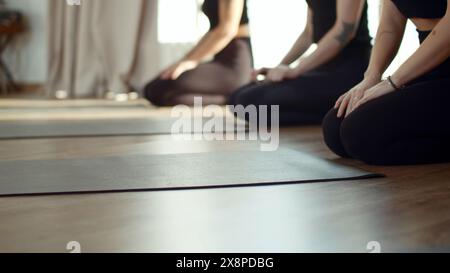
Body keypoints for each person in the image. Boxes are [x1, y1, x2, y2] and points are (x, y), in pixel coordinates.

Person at [322, 0, 450, 165]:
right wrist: (371, 77)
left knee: (358, 133)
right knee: (335, 128)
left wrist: (393, 82)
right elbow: (390, 26)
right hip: (431, 69)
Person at [229, 0, 372, 125]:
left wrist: (296, 70)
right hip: (323, 68)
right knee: (237, 97)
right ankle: (330, 110)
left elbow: (345, 31)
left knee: (248, 102)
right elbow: (308, 33)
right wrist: (280, 67)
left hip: (348, 70)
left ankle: (336, 112)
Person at [144, 0, 253, 106]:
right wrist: (182, 62)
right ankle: (234, 98)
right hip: (220, 61)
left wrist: (190, 61)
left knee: (157, 89)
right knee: (153, 90)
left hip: (235, 64)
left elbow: (226, 31)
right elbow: (213, 31)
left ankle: (236, 97)